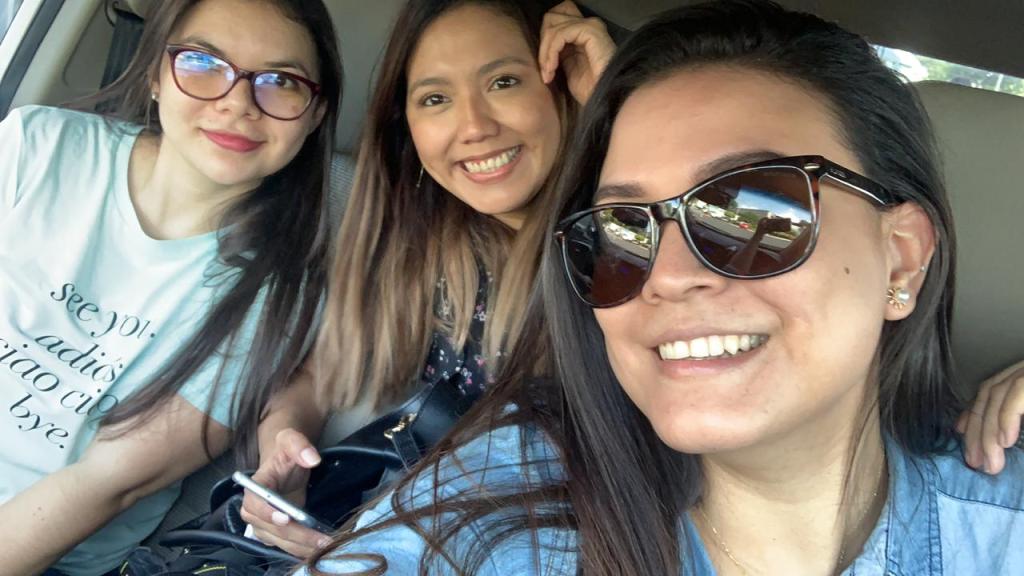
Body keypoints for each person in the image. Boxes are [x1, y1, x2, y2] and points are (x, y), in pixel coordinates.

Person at [295, 1, 1024, 574]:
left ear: (901, 260)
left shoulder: (1001, 518)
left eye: (751, 211)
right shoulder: (514, 488)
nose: (665, 277)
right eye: (623, 230)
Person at [238, 0, 616, 557]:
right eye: (436, 99)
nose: (475, 127)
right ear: (408, 127)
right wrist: (284, 447)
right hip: (405, 528)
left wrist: (614, 100)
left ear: (562, 91)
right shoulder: (423, 246)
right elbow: (323, 372)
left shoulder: (625, 243)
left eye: (504, 82)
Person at [0, 0, 342, 573]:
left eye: (279, 81)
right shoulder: (37, 144)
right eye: (203, 62)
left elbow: (109, 482)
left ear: (314, 113)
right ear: (156, 74)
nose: (237, 102)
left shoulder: (283, 294)